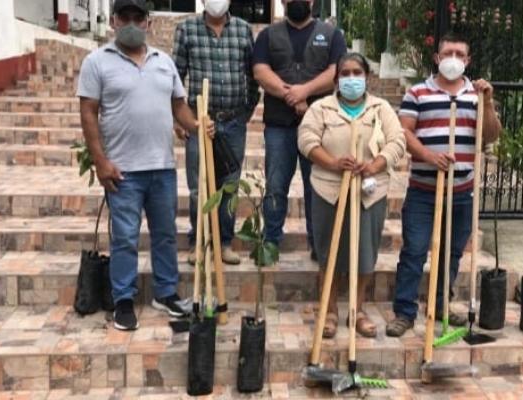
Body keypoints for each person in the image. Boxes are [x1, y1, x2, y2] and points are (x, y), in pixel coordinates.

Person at [77, 0, 212, 331]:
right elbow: (88, 112)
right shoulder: (96, 62)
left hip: (162, 167)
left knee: (165, 234)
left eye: (139, 17)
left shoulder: (163, 62)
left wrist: (196, 126)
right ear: (113, 21)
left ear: (149, 23)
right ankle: (123, 299)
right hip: (122, 170)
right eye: (126, 17)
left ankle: (165, 293)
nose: (133, 23)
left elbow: (178, 105)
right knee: (124, 237)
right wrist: (100, 161)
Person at [386, 33, 503, 337]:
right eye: (447, 52)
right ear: (437, 58)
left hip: (462, 191)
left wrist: (487, 103)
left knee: (451, 253)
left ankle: (439, 305)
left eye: (459, 53)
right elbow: (404, 132)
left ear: (467, 60)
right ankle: (404, 311)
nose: (453, 58)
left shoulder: (477, 95)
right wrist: (428, 155)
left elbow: (490, 135)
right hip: (424, 189)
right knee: (414, 250)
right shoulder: (418, 93)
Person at [298, 53, 406, 338]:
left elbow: (398, 142)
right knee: (329, 253)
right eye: (345, 73)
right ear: (336, 80)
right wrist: (333, 162)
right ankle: (330, 310)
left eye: (356, 72)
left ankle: (357, 311)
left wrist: (375, 164)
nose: (351, 78)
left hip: (370, 191)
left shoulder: (380, 108)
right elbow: (307, 140)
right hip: (328, 189)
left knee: (365, 253)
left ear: (367, 76)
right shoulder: (321, 108)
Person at [252, 0, 347, 259]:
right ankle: (270, 242)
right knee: (275, 186)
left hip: (319, 127)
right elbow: (260, 71)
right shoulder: (267, 35)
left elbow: (336, 71)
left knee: (316, 186)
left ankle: (318, 245)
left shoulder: (331, 35)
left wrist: (305, 91)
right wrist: (291, 95)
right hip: (278, 126)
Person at [173, 0, 260, 266]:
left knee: (229, 186)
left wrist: (245, 113)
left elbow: (253, 76)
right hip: (199, 120)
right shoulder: (186, 29)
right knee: (199, 186)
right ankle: (199, 241)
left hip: (233, 123)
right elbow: (175, 77)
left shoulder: (243, 30)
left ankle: (224, 243)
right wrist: (181, 119)